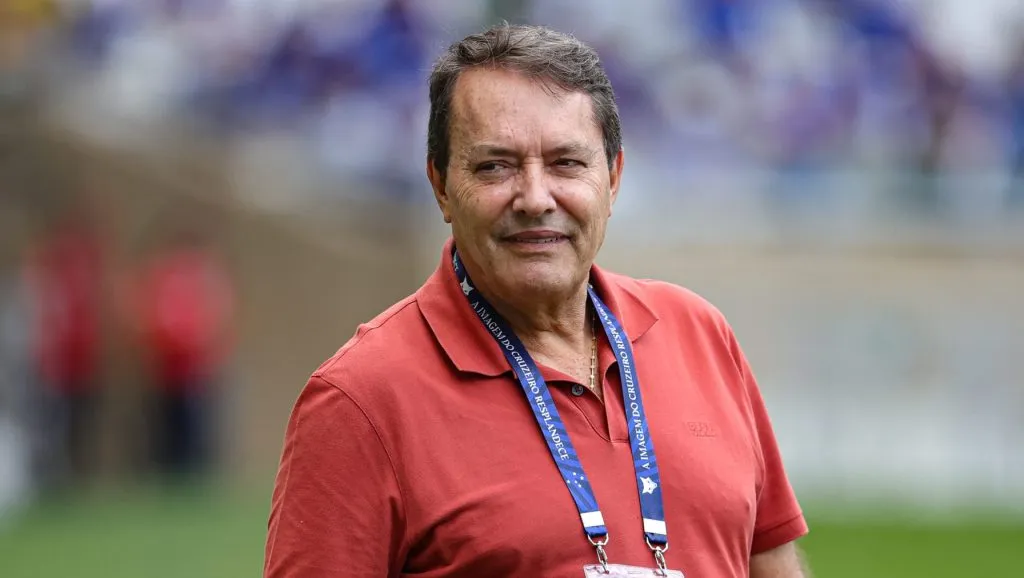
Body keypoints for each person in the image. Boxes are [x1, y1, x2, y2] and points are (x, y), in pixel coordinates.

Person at [265, 23, 810, 578]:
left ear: (613, 178)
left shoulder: (698, 333)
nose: (534, 198)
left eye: (566, 163)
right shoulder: (360, 400)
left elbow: (771, 563)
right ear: (441, 186)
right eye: (495, 166)